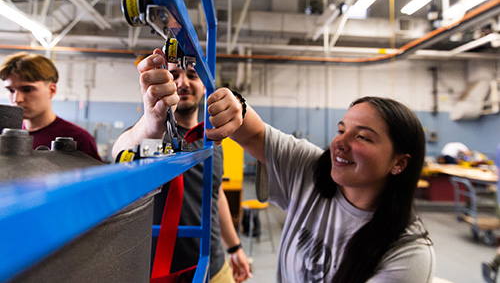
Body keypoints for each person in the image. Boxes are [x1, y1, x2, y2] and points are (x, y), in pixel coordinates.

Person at [205, 93, 436, 282]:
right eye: (341, 130)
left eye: (363, 137)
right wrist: (234, 105)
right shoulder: (311, 169)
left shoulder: (409, 254)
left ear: (399, 163)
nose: (339, 144)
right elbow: (253, 133)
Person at [111, 49, 251, 282]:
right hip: (162, 273)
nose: (183, 82)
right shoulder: (153, 136)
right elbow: (121, 152)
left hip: (213, 267)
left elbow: (215, 195)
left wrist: (234, 247)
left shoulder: (213, 140)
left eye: (192, 76)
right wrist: (151, 122)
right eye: (174, 75)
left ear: (205, 86)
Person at [1, 52, 102, 161]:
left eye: (27, 90)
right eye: (11, 90)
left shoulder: (78, 138)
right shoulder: (5, 136)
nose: (17, 99)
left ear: (52, 90)